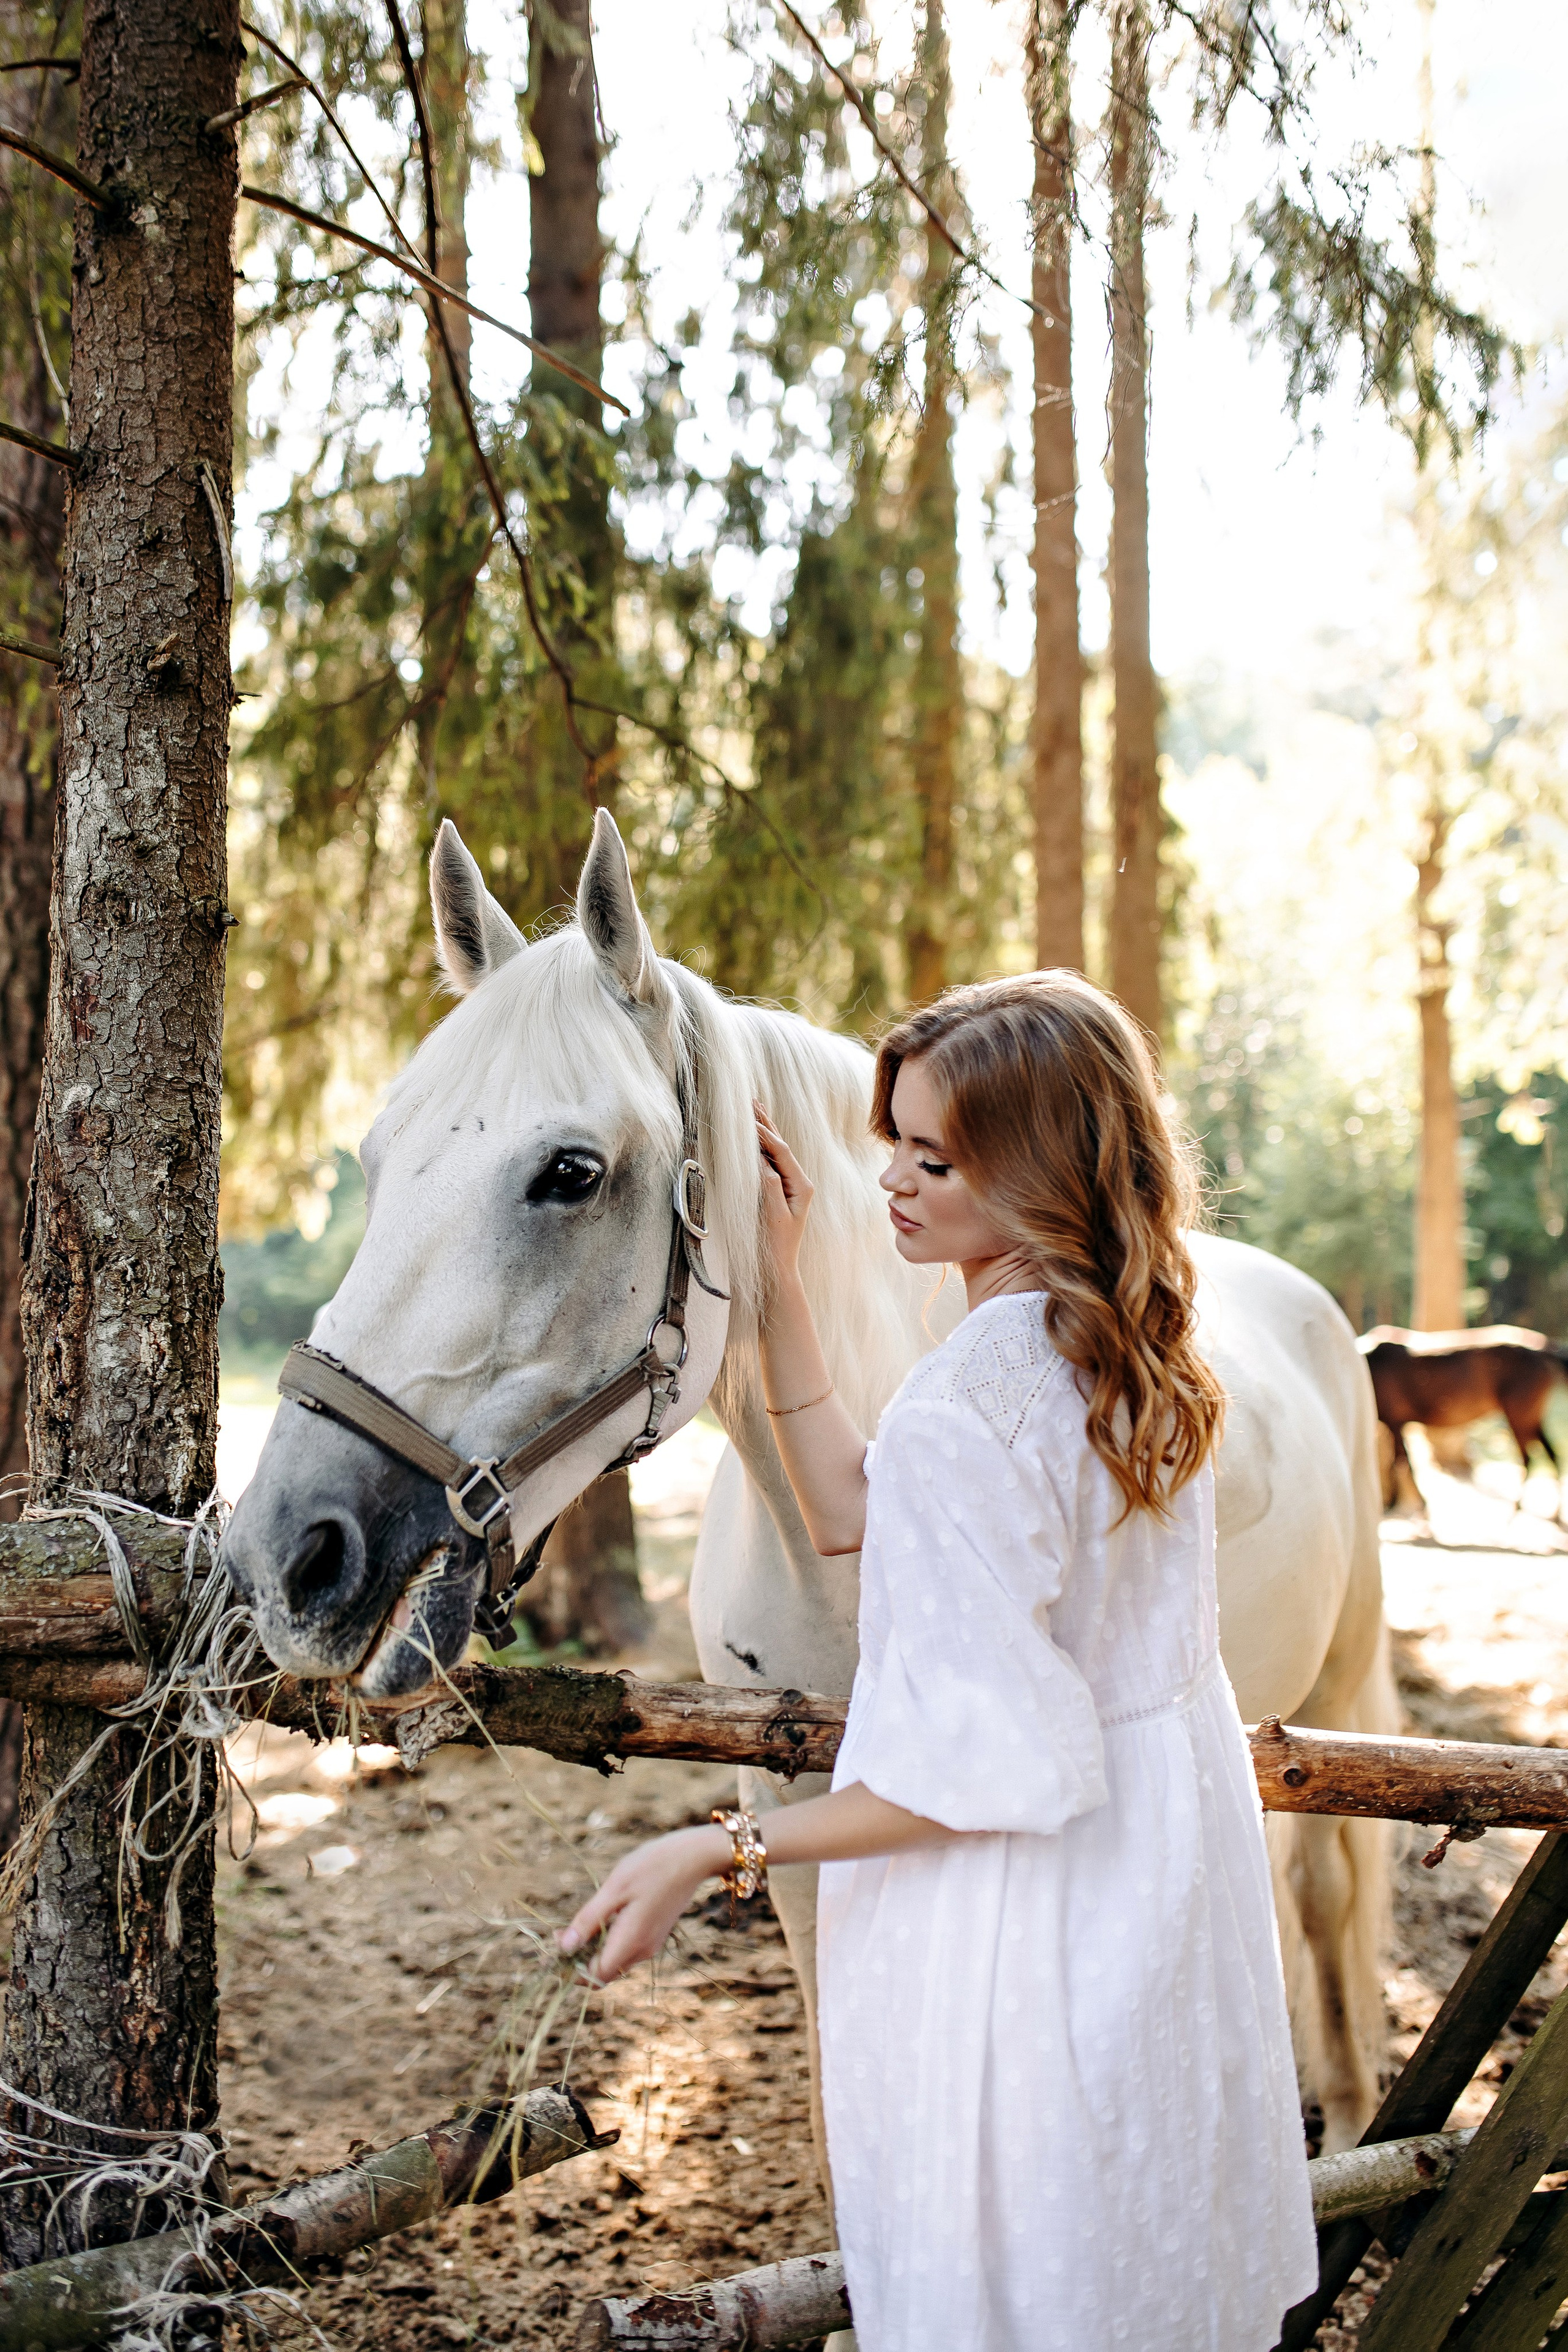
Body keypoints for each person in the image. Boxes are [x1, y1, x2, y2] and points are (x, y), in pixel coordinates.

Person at [560, 971, 1317, 2352]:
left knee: (1022, 2280)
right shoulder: (1117, 1345)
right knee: (1138, 2256)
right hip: (1157, 1875)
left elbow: (981, 1771)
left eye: (936, 1157)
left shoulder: (975, 1396)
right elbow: (861, 1511)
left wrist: (714, 1851)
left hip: (1026, 1916)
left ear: (1035, 1169)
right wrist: (783, 1289)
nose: (891, 1184)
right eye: (889, 1144)